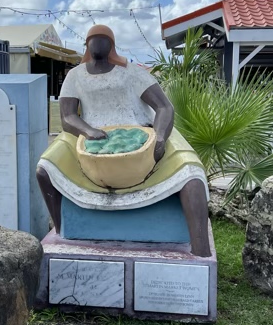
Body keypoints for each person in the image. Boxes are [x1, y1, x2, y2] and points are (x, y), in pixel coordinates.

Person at [36, 25, 211, 257]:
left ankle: (201, 250)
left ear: (112, 44)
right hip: (90, 135)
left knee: (191, 175)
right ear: (86, 45)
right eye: (93, 40)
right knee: (44, 169)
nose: (98, 44)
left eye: (103, 39)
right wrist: (88, 130)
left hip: (141, 132)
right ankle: (61, 230)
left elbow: (163, 107)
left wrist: (159, 136)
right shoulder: (74, 75)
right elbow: (68, 117)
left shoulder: (131, 72)